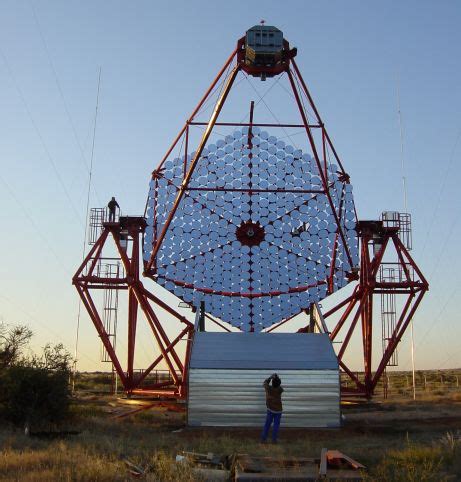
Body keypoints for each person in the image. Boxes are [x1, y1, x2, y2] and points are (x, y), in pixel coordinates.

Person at [261, 373, 283, 443]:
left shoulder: (268, 389)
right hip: (278, 411)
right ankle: (274, 440)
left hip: (270, 410)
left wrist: (270, 377)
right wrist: (277, 377)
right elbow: (278, 383)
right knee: (276, 426)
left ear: (272, 383)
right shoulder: (280, 390)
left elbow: (264, 383)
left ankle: (263, 439)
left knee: (267, 424)